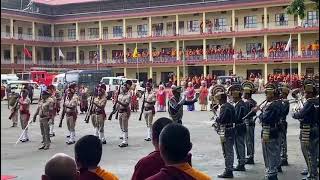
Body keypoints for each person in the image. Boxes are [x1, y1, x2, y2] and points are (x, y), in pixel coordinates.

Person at [253, 83, 282, 180]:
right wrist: (262, 110)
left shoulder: (272, 105)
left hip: (269, 130)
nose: (266, 97)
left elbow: (264, 118)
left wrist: (259, 112)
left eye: (267, 95)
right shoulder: (278, 103)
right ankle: (272, 172)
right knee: (273, 151)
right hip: (274, 129)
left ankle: (271, 173)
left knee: (269, 153)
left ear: (271, 95)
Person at [292, 79, 319, 180]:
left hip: (308, 129)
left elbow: (300, 114)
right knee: (314, 152)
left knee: (309, 152)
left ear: (310, 93)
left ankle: (312, 175)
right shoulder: (317, 101)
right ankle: (311, 170)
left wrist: (294, 113)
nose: (305, 94)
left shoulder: (310, 102)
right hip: (316, 128)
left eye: (306, 93)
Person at [211, 84, 236, 178]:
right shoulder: (230, 106)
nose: (218, 101)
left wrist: (215, 115)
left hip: (226, 130)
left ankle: (228, 170)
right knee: (228, 151)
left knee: (227, 151)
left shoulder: (224, 107)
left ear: (221, 99)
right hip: (229, 129)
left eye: (219, 100)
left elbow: (221, 120)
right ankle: (229, 169)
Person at [229, 84, 248, 171]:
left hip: (239, 127)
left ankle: (241, 163)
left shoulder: (239, 105)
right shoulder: (240, 103)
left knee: (239, 145)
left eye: (232, 97)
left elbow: (237, 117)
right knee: (240, 145)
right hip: (241, 126)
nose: (232, 98)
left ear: (235, 97)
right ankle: (241, 161)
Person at [242, 81, 257, 165]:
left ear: (247, 94)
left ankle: (250, 156)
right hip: (250, 122)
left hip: (248, 122)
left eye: (244, 93)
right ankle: (250, 155)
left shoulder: (248, 103)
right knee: (249, 140)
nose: (243, 94)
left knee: (249, 140)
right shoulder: (253, 102)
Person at [117, 80, 132, 148]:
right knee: (121, 126)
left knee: (125, 126)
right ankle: (124, 137)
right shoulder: (120, 95)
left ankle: (125, 141)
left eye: (123, 87)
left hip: (125, 112)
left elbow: (126, 104)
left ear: (126, 88)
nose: (122, 88)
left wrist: (119, 102)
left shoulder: (128, 95)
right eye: (122, 87)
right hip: (119, 112)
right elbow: (117, 104)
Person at [278, 84, 290, 167]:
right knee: (281, 140)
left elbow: (282, 112)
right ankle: (283, 156)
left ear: (284, 94)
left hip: (282, 122)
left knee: (282, 140)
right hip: (281, 122)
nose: (280, 94)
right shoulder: (282, 101)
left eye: (281, 93)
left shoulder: (285, 102)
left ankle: (283, 157)